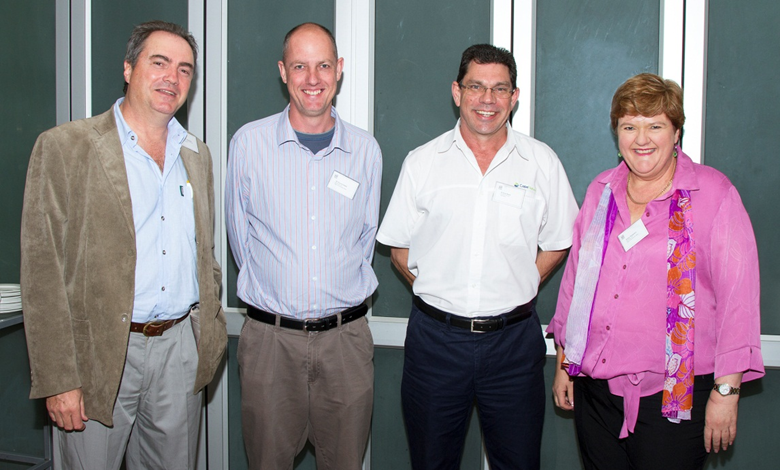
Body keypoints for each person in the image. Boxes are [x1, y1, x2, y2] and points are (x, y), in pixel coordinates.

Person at [20, 20, 227, 469]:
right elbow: (42, 274)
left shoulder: (196, 153)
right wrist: (59, 379)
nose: (172, 78)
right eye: (159, 63)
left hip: (178, 351)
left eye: (185, 69)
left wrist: (205, 327)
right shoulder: (66, 147)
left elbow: (204, 253)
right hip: (99, 357)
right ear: (129, 69)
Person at [548, 73, 764, 470]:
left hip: (675, 398)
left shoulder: (713, 194)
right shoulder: (601, 190)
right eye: (629, 126)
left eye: (655, 126)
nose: (641, 138)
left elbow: (739, 301)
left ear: (676, 132)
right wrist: (565, 363)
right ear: (617, 133)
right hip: (597, 394)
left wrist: (727, 392)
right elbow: (577, 283)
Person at [377, 44, 578, 469]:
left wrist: (519, 282)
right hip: (436, 343)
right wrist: (437, 291)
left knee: (519, 462)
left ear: (514, 96)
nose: (487, 99)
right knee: (432, 462)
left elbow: (559, 241)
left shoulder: (541, 162)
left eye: (499, 88)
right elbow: (397, 245)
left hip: (513, 344)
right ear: (457, 92)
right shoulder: (423, 162)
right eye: (476, 87)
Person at [225, 22, 382, 470]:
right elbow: (241, 240)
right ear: (282, 71)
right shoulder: (249, 144)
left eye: (323, 65)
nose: (312, 78)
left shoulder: (366, 151)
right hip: (270, 344)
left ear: (340, 70)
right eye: (299, 66)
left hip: (346, 343)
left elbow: (364, 239)